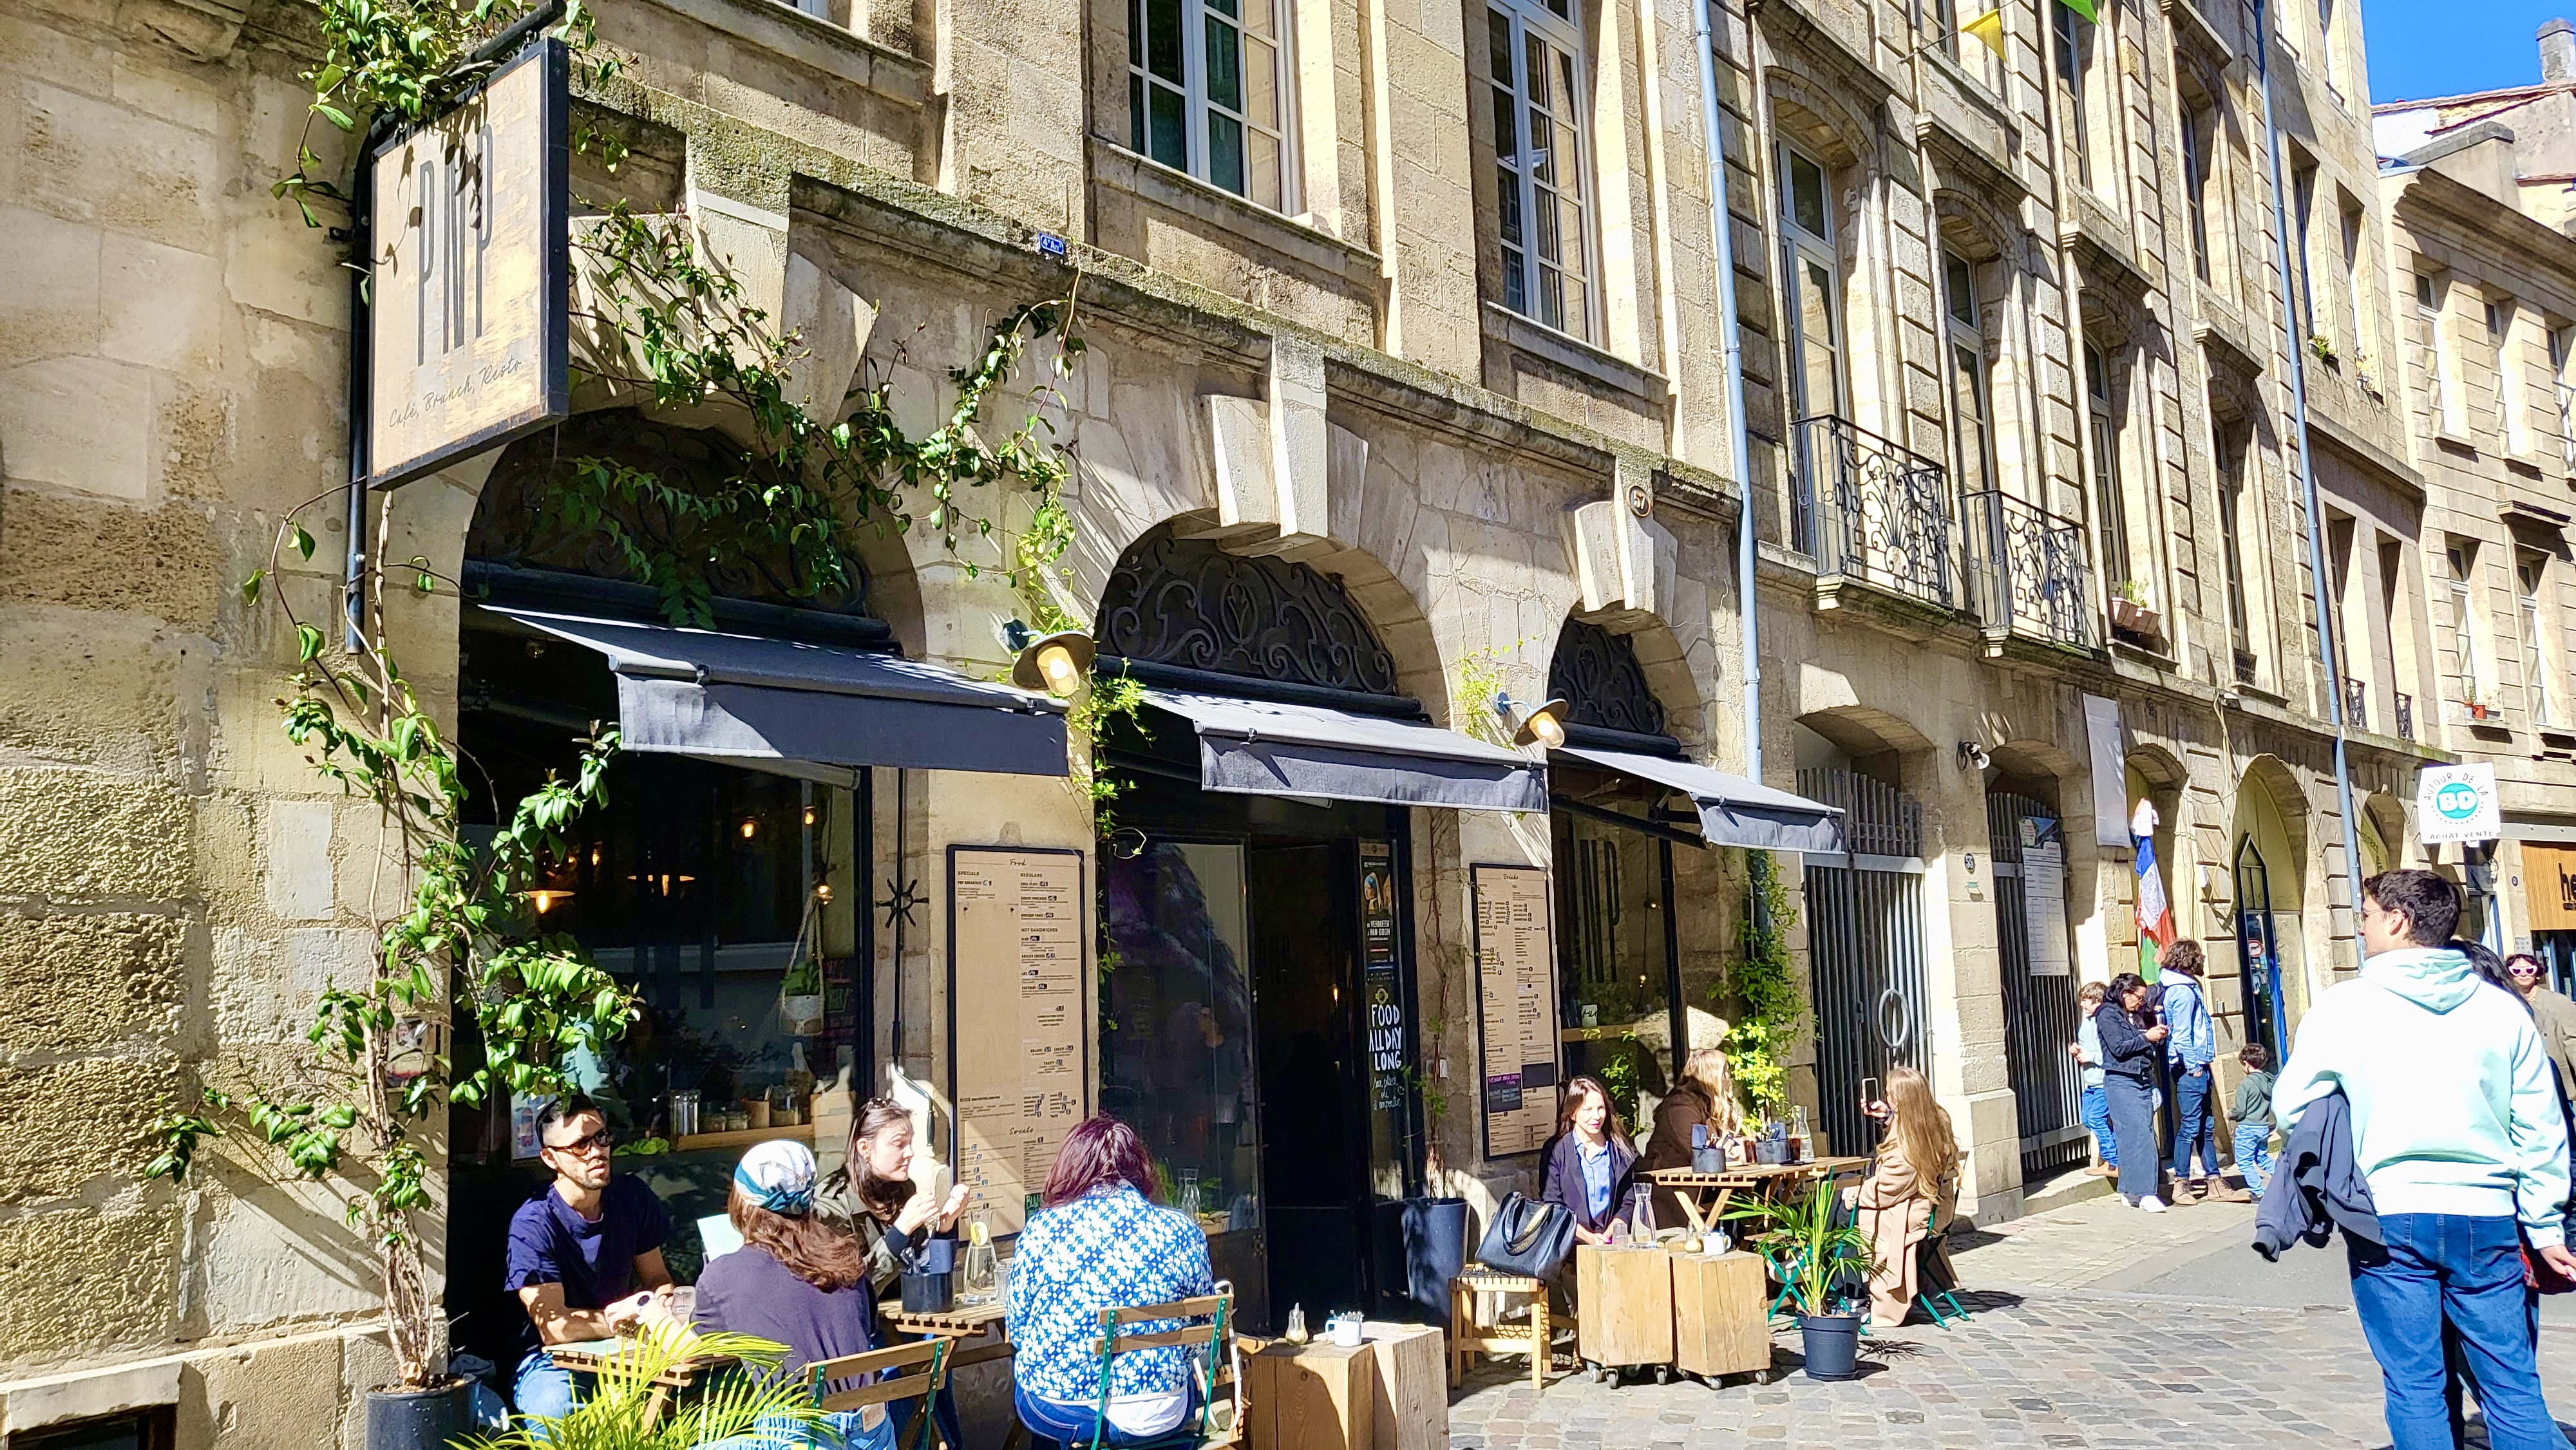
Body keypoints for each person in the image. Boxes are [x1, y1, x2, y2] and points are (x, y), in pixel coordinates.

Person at [2273, 869, 2575, 1450]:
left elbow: (2293, 1107)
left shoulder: (2345, 1008)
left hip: (2389, 1213)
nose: (2360, 928)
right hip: (2487, 1212)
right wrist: (2544, 1222)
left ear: (2397, 919)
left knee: (2415, 1385)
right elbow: (2540, 1127)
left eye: (2364, 915)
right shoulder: (2502, 1009)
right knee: (2512, 1387)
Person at [1007, 1115, 1215, 1449]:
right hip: (1158, 1413)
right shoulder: (1181, 1230)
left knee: (1038, 1395)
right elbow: (1203, 1339)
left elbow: (1018, 1332)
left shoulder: (1041, 1230)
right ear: (1141, 1170)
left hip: (1064, 1412)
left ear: (1070, 1169)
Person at [694, 1140, 899, 1450]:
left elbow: (692, 1349)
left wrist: (650, 1312)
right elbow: (865, 1328)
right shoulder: (845, 1257)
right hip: (873, 1432)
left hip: (799, 1438)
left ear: (744, 1203)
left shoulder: (724, 1277)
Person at [503, 1095, 676, 1418]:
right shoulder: (533, 1222)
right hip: (549, 1359)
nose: (597, 1152)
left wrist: (666, 1305)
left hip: (626, 1352)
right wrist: (633, 1323)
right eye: (581, 1145)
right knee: (558, 1408)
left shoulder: (631, 1196)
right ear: (550, 1159)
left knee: (713, 1386)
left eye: (602, 1138)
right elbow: (554, 1327)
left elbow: (657, 1278)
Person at [1852, 1067, 1962, 1330]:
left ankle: (1849, 1293)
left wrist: (1854, 1193)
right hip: (1931, 1209)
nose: (1886, 1098)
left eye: (1889, 1095)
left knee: (1840, 1213)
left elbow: (1886, 1190)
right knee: (1842, 1208)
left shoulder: (1907, 1148)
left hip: (1912, 1214)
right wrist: (1888, 1117)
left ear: (1899, 1101)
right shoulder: (1934, 1122)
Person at [830, 1097, 971, 1294]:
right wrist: (900, 1232)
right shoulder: (833, 1204)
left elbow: (924, 1272)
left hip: (912, 1320)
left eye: (910, 1143)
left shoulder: (904, 1189)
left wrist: (945, 1227)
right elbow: (848, 1291)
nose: (910, 1153)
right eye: (899, 1144)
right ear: (865, 1148)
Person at [2157, 942, 2245, 1203]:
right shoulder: (2182, 992)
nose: (2203, 961)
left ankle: (2214, 1180)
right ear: (2189, 960)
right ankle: (2181, 1183)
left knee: (2206, 1126)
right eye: (2199, 957)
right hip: (2189, 1069)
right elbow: (2182, 1035)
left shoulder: (2187, 988)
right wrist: (2194, 1067)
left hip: (2198, 1066)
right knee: (2190, 1126)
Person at [1638, 1048, 1745, 1223]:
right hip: (1671, 1195)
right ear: (1713, 1075)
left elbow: (1735, 1142)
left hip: (1701, 1189)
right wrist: (1732, 1149)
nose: (1729, 1076)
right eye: (1725, 1070)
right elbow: (1702, 1153)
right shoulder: (1680, 1108)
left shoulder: (1709, 1105)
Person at [2094, 972, 2170, 1212]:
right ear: (2125, 993)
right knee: (2140, 1137)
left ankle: (2129, 1190)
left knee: (2136, 1135)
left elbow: (2133, 1039)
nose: (2142, 1002)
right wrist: (2147, 1037)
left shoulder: (2127, 1015)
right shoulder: (2107, 1014)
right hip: (2122, 1081)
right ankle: (2146, 1192)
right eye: (2139, 997)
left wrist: (2153, 1037)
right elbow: (2117, 1047)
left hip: (2140, 1078)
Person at [1539, 1075, 1638, 1245]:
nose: (1596, 1116)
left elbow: (1627, 1202)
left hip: (1612, 1244)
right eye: (1587, 1110)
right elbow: (1552, 1203)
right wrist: (1587, 1237)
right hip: (1569, 1248)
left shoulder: (1619, 1150)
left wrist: (1608, 1236)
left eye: (1601, 1108)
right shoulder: (1557, 1150)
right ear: (1573, 1114)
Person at [2503, 953, 2576, 1103]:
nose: (2523, 974)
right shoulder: (2504, 1003)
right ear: (2509, 975)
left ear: (2537, 973)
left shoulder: (2558, 1002)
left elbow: (2573, 1040)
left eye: (2530, 970)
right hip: (2520, 1082)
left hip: (2557, 1081)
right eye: (2516, 970)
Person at [2070, 981, 2119, 1179]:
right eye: (2082, 1000)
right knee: (2088, 1119)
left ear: (2099, 1001)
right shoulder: (2087, 1021)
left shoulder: (2104, 1021)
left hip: (2103, 1082)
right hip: (2091, 1082)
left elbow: (2109, 1053)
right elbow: (2086, 1045)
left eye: (2087, 1000)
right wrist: (2076, 1050)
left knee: (2096, 1119)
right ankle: (2111, 1160)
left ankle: (2115, 1162)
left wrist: (2089, 1056)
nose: (2083, 1005)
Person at [2231, 1042, 2277, 1197]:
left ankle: (2258, 1192)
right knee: (2262, 1157)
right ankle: (2284, 1177)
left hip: (2247, 1128)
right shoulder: (2269, 1081)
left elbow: (2240, 1110)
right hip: (2263, 1127)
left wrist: (2230, 1114)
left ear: (2247, 1064)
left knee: (2244, 1162)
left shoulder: (2247, 1084)